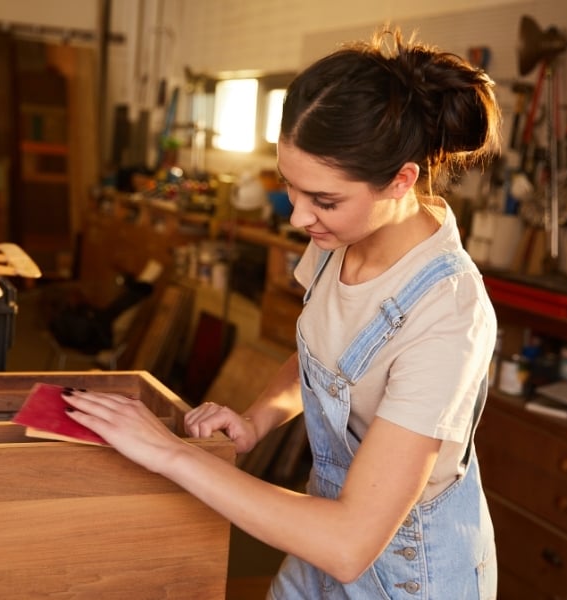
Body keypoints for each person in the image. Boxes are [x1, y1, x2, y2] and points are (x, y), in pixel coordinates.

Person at [66, 26, 502, 599]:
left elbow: (349, 544)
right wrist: (257, 419)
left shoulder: (447, 314)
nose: (299, 218)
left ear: (402, 181)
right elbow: (324, 355)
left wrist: (169, 453)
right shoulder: (336, 237)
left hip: (404, 571)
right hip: (318, 530)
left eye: (324, 200)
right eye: (289, 188)